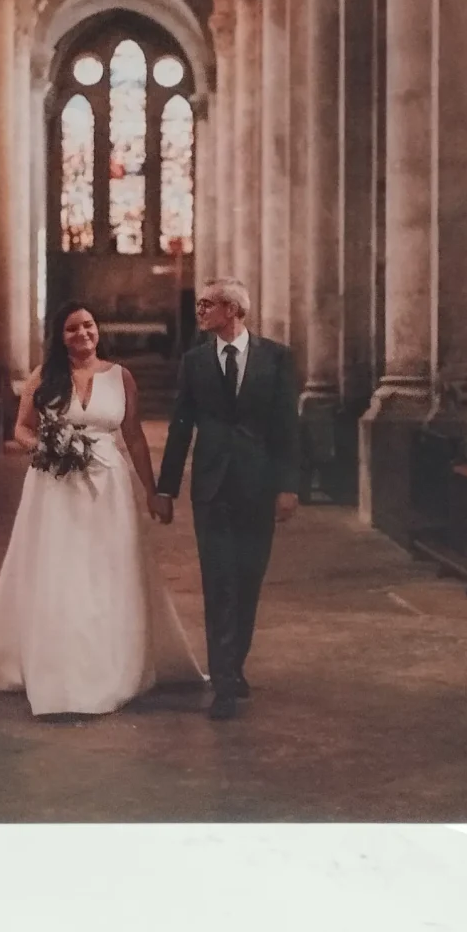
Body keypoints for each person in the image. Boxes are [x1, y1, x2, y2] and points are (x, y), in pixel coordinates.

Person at [0, 302, 204, 716]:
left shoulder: (120, 376)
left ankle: (114, 666)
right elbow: (21, 427)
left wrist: (153, 491)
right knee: (62, 571)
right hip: (55, 486)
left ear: (98, 331)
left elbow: (135, 437)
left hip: (110, 487)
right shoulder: (45, 376)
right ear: (61, 336)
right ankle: (61, 672)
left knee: (110, 570)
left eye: (88, 326)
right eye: (72, 328)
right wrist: (46, 447)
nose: (82, 334)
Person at [152, 277, 300, 721]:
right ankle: (223, 685)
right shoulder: (195, 361)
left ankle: (234, 666)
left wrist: (287, 486)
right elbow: (181, 426)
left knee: (248, 580)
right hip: (211, 489)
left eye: (207, 305)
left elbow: (286, 428)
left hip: (257, 486)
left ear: (233, 310)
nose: (199, 312)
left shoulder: (275, 358)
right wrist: (166, 487)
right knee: (219, 583)